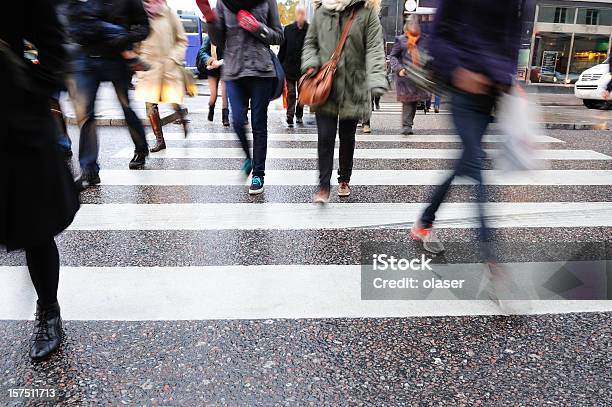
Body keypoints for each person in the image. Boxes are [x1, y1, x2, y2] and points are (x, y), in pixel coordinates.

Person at [410, 0, 530, 257]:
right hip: (462, 88)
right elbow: (438, 36)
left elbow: (513, 38)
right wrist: (459, 70)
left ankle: (424, 221)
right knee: (475, 162)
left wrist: (504, 75)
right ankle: (491, 257)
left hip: (493, 93)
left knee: (465, 162)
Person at [1, 0, 80, 360]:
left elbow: (52, 50)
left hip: (15, 120)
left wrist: (29, 94)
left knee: (34, 225)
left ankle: (48, 309)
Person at [302, 0, 388, 203]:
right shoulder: (322, 11)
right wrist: (311, 64)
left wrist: (376, 78)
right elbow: (310, 43)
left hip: (353, 86)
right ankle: (323, 185)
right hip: (326, 86)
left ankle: (344, 179)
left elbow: (375, 49)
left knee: (347, 137)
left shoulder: (366, 14)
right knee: (325, 136)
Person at [196, 0, 284, 195]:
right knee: (237, 121)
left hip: (261, 70)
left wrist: (257, 27)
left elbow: (278, 36)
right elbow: (219, 40)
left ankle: (258, 174)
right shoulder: (223, 3)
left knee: (258, 124)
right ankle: (248, 158)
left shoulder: (267, 1)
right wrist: (210, 20)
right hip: (234, 70)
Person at [68, 0, 151, 190]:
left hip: (117, 59)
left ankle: (140, 147)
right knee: (85, 114)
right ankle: (89, 170)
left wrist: (124, 38)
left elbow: (144, 28)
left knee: (125, 107)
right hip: (86, 58)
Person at [135, 0, 190, 153]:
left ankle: (182, 117)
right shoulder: (138, 13)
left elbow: (182, 39)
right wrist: (138, 63)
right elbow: (135, 42)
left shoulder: (168, 12)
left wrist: (173, 59)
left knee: (171, 99)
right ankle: (160, 140)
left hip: (168, 66)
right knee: (150, 106)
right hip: (148, 70)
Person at [389, 17, 430, 136]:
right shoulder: (401, 40)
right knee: (407, 101)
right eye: (412, 24)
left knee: (414, 101)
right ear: (407, 26)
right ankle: (406, 126)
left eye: (416, 24)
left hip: (418, 76)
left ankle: (409, 123)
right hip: (405, 75)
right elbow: (393, 56)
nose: (415, 26)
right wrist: (399, 68)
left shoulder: (423, 39)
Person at [278, 5, 309, 127]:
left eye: (303, 13)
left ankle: (299, 113)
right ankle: (290, 115)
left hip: (303, 69)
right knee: (291, 93)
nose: (301, 15)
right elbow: (283, 49)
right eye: (299, 13)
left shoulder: (309, 30)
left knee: (302, 95)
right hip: (289, 67)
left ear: (305, 15)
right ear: (296, 15)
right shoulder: (288, 29)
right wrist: (279, 64)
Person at [197, 33, 229, 126]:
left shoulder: (229, 36)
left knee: (225, 94)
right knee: (213, 95)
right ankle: (211, 108)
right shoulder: (210, 37)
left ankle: (225, 118)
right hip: (213, 69)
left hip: (225, 68)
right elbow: (202, 52)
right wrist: (211, 61)